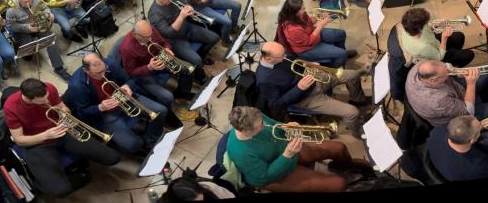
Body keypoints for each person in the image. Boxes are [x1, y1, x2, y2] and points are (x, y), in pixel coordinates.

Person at [4, 78, 121, 198]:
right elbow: (19, 140)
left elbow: (63, 108)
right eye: (41, 101)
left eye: (47, 97)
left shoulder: (49, 88)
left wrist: (64, 115)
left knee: (113, 158)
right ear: (28, 99)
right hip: (38, 142)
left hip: (62, 131)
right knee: (60, 191)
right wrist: (46, 135)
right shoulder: (11, 107)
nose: (47, 102)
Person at [226, 106, 371, 193]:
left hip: (286, 149)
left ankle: (344, 166)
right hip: (274, 173)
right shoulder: (241, 152)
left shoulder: (254, 116)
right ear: (246, 131)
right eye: (260, 127)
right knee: (338, 184)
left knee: (338, 148)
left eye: (262, 122)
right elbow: (263, 177)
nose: (264, 126)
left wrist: (287, 126)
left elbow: (274, 124)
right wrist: (287, 155)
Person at [63, 53, 169, 155]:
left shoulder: (111, 64)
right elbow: (83, 111)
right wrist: (100, 107)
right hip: (104, 114)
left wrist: (127, 86)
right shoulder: (77, 86)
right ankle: (140, 146)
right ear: (86, 71)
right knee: (133, 144)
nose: (103, 75)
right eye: (98, 73)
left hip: (123, 99)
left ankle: (151, 141)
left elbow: (130, 79)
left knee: (161, 111)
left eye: (104, 70)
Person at [256, 42, 367, 131]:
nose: (285, 56)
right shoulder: (264, 80)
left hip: (313, 78)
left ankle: (358, 99)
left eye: (284, 53)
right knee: (353, 112)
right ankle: (356, 130)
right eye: (282, 55)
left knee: (353, 75)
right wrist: (299, 88)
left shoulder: (279, 55)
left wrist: (309, 64)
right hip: (305, 98)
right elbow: (276, 104)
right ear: (269, 59)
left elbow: (295, 60)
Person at [148, 0, 217, 78]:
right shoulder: (154, 14)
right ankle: (201, 77)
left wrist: (188, 7)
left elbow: (182, 2)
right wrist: (181, 16)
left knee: (214, 38)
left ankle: (202, 55)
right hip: (176, 40)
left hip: (188, 28)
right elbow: (168, 33)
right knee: (197, 61)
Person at [119, 21, 193, 105]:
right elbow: (130, 71)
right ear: (136, 36)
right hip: (144, 73)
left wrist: (167, 49)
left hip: (159, 59)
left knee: (188, 68)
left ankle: (182, 93)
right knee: (168, 97)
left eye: (150, 35)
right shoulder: (126, 49)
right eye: (147, 37)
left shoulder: (150, 30)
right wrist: (149, 67)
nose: (150, 38)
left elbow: (164, 43)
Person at [7, 0, 69, 80]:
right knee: (28, 51)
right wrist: (27, 28)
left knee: (51, 41)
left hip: (39, 26)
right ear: (19, 0)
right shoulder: (11, 10)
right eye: (25, 2)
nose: (28, 4)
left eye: (29, 1)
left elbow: (46, 8)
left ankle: (59, 68)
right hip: (23, 31)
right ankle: (26, 51)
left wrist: (49, 15)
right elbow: (12, 27)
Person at [276, 0, 356, 68]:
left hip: (312, 34)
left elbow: (309, 22)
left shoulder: (301, 14)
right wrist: (320, 26)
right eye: (302, 9)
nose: (305, 9)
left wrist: (320, 16)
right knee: (341, 54)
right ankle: (336, 68)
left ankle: (340, 56)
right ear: (294, 12)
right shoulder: (293, 30)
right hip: (307, 49)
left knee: (341, 34)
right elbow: (309, 42)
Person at [397, 8, 474, 67]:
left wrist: (437, 24)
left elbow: (428, 26)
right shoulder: (422, 47)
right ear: (420, 28)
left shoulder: (407, 25)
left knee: (459, 36)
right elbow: (439, 56)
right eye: (425, 23)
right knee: (469, 54)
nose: (427, 23)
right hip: (436, 57)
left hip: (433, 42)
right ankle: (454, 64)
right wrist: (444, 38)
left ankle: (454, 52)